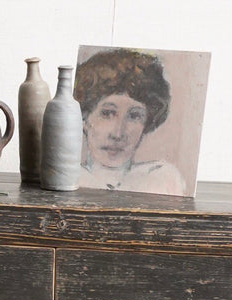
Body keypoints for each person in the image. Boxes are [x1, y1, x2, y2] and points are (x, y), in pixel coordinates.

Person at [74, 48, 187, 195]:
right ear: (84, 118)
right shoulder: (68, 177)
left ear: (147, 123)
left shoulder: (163, 179)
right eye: (107, 113)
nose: (118, 133)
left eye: (134, 116)